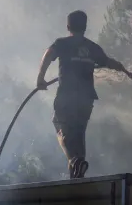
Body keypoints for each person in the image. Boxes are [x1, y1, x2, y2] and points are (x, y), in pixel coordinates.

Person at [36, 10, 124, 179]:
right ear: (85, 27)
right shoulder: (93, 48)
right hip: (86, 98)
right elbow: (108, 62)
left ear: (68, 26)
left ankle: (74, 161)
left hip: (67, 95)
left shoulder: (62, 43)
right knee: (79, 133)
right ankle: (78, 173)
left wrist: (40, 78)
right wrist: (120, 66)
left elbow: (48, 54)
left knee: (60, 125)